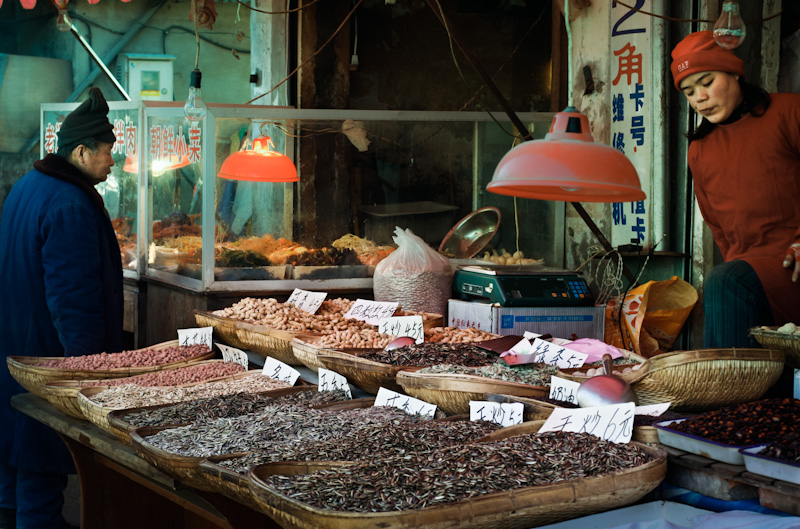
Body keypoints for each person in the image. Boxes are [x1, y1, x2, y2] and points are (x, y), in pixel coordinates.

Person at [0, 87, 124, 529]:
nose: (114, 161)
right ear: (81, 151)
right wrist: (87, 374)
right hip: (47, 364)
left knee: (11, 475)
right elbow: (73, 300)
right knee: (39, 478)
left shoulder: (27, 186)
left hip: (14, 354)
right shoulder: (69, 203)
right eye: (108, 152)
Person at [669, 31, 800, 358]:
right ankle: (736, 403)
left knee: (727, 280)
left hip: (792, 266)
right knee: (728, 280)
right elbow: (719, 228)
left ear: (734, 73)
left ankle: (726, 401)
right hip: (750, 276)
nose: (699, 97)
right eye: (688, 91)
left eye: (707, 82)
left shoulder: (789, 112)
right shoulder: (699, 150)